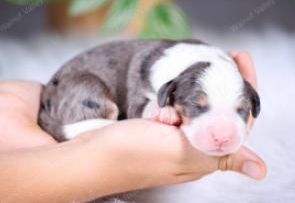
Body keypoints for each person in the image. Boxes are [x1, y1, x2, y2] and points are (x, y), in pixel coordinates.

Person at [0, 51, 266, 202]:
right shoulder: (156, 77)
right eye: (199, 107)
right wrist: (91, 160)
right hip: (77, 88)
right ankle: (77, 130)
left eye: (240, 109)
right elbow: (146, 109)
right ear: (168, 94)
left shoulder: (200, 69)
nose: (223, 132)